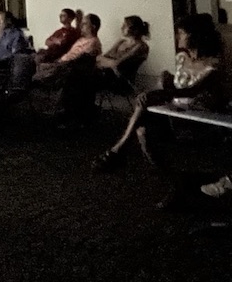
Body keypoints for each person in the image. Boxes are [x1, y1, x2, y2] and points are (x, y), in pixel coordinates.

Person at [95, 15, 225, 174]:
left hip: (198, 119)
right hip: (175, 112)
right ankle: (165, 173)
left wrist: (163, 92)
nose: (178, 37)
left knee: (148, 105)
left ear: (196, 36)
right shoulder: (182, 58)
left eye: (182, 33)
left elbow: (191, 91)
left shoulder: (213, 64)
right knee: (143, 129)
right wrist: (164, 81)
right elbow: (177, 88)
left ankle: (120, 149)